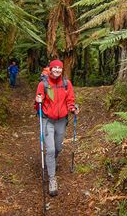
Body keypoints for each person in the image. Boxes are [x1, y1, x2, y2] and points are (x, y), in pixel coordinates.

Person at [35, 59, 79, 196]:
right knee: (50, 149)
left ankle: (52, 162)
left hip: (61, 121)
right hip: (47, 120)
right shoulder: (43, 84)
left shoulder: (66, 84)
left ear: (62, 70)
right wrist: (38, 102)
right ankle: (52, 178)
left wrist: (73, 108)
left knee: (58, 148)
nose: (57, 70)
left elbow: (70, 100)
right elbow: (37, 105)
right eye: (55, 68)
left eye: (59, 68)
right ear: (51, 69)